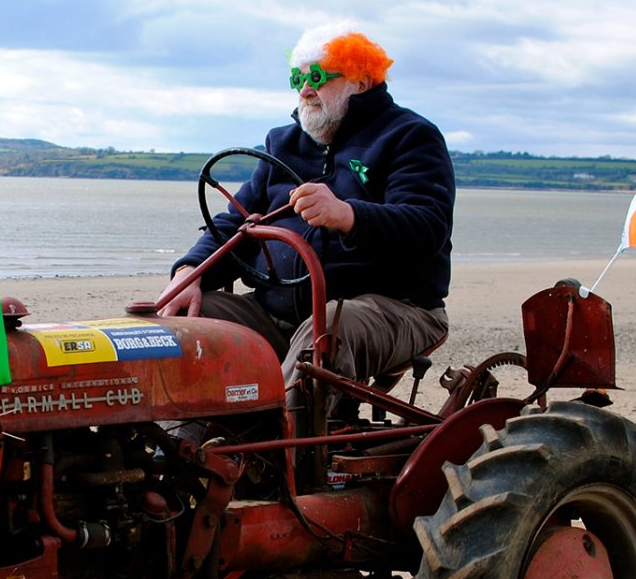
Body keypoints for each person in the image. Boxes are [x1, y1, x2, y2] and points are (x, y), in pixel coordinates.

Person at [159, 24, 455, 420]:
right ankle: (175, 449)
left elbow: (427, 227)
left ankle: (279, 459)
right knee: (176, 321)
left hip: (398, 307)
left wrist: (348, 215)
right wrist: (192, 270)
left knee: (327, 332)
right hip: (279, 310)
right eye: (298, 78)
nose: (304, 90)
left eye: (317, 77)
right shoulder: (283, 143)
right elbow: (237, 222)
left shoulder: (409, 136)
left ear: (362, 81)